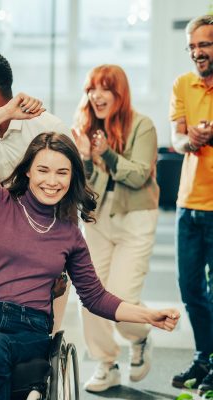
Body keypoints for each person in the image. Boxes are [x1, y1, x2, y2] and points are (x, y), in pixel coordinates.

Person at [0, 95, 180, 400]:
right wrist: (5, 113)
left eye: (62, 172)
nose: (52, 181)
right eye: (43, 170)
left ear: (72, 177)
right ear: (27, 171)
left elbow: (95, 297)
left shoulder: (70, 234)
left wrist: (148, 316)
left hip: (28, 326)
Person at [0, 51, 71, 331]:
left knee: (38, 343)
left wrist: (61, 266)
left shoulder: (48, 128)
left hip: (44, 248)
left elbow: (68, 200)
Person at [71, 64, 160, 393]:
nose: (96, 95)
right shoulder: (86, 128)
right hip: (97, 221)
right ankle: (106, 363)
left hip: (135, 219)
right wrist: (82, 157)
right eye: (91, 88)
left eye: (104, 88)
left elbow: (138, 176)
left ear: (118, 93)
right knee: (89, 295)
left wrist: (105, 153)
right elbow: (83, 186)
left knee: (122, 299)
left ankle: (141, 336)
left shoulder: (142, 126)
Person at [169, 14, 213, 395]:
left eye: (205, 44)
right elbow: (177, 139)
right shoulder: (184, 84)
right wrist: (193, 140)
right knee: (190, 289)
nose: (198, 53)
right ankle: (205, 356)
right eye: (193, 47)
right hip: (189, 203)